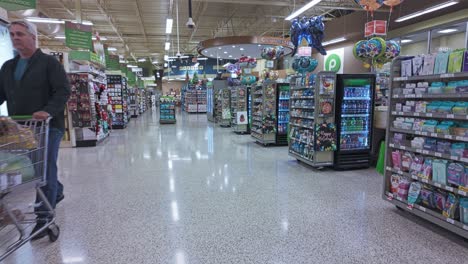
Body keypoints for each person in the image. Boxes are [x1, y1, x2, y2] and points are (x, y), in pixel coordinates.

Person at [0, 20, 71, 240]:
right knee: (38, 168)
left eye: (20, 33)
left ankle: (44, 218)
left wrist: (47, 111)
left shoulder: (49, 63)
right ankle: (56, 191)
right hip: (20, 130)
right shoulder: (8, 67)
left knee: (45, 169)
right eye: (12, 34)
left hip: (47, 126)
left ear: (33, 36)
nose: (15, 37)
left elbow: (63, 91)